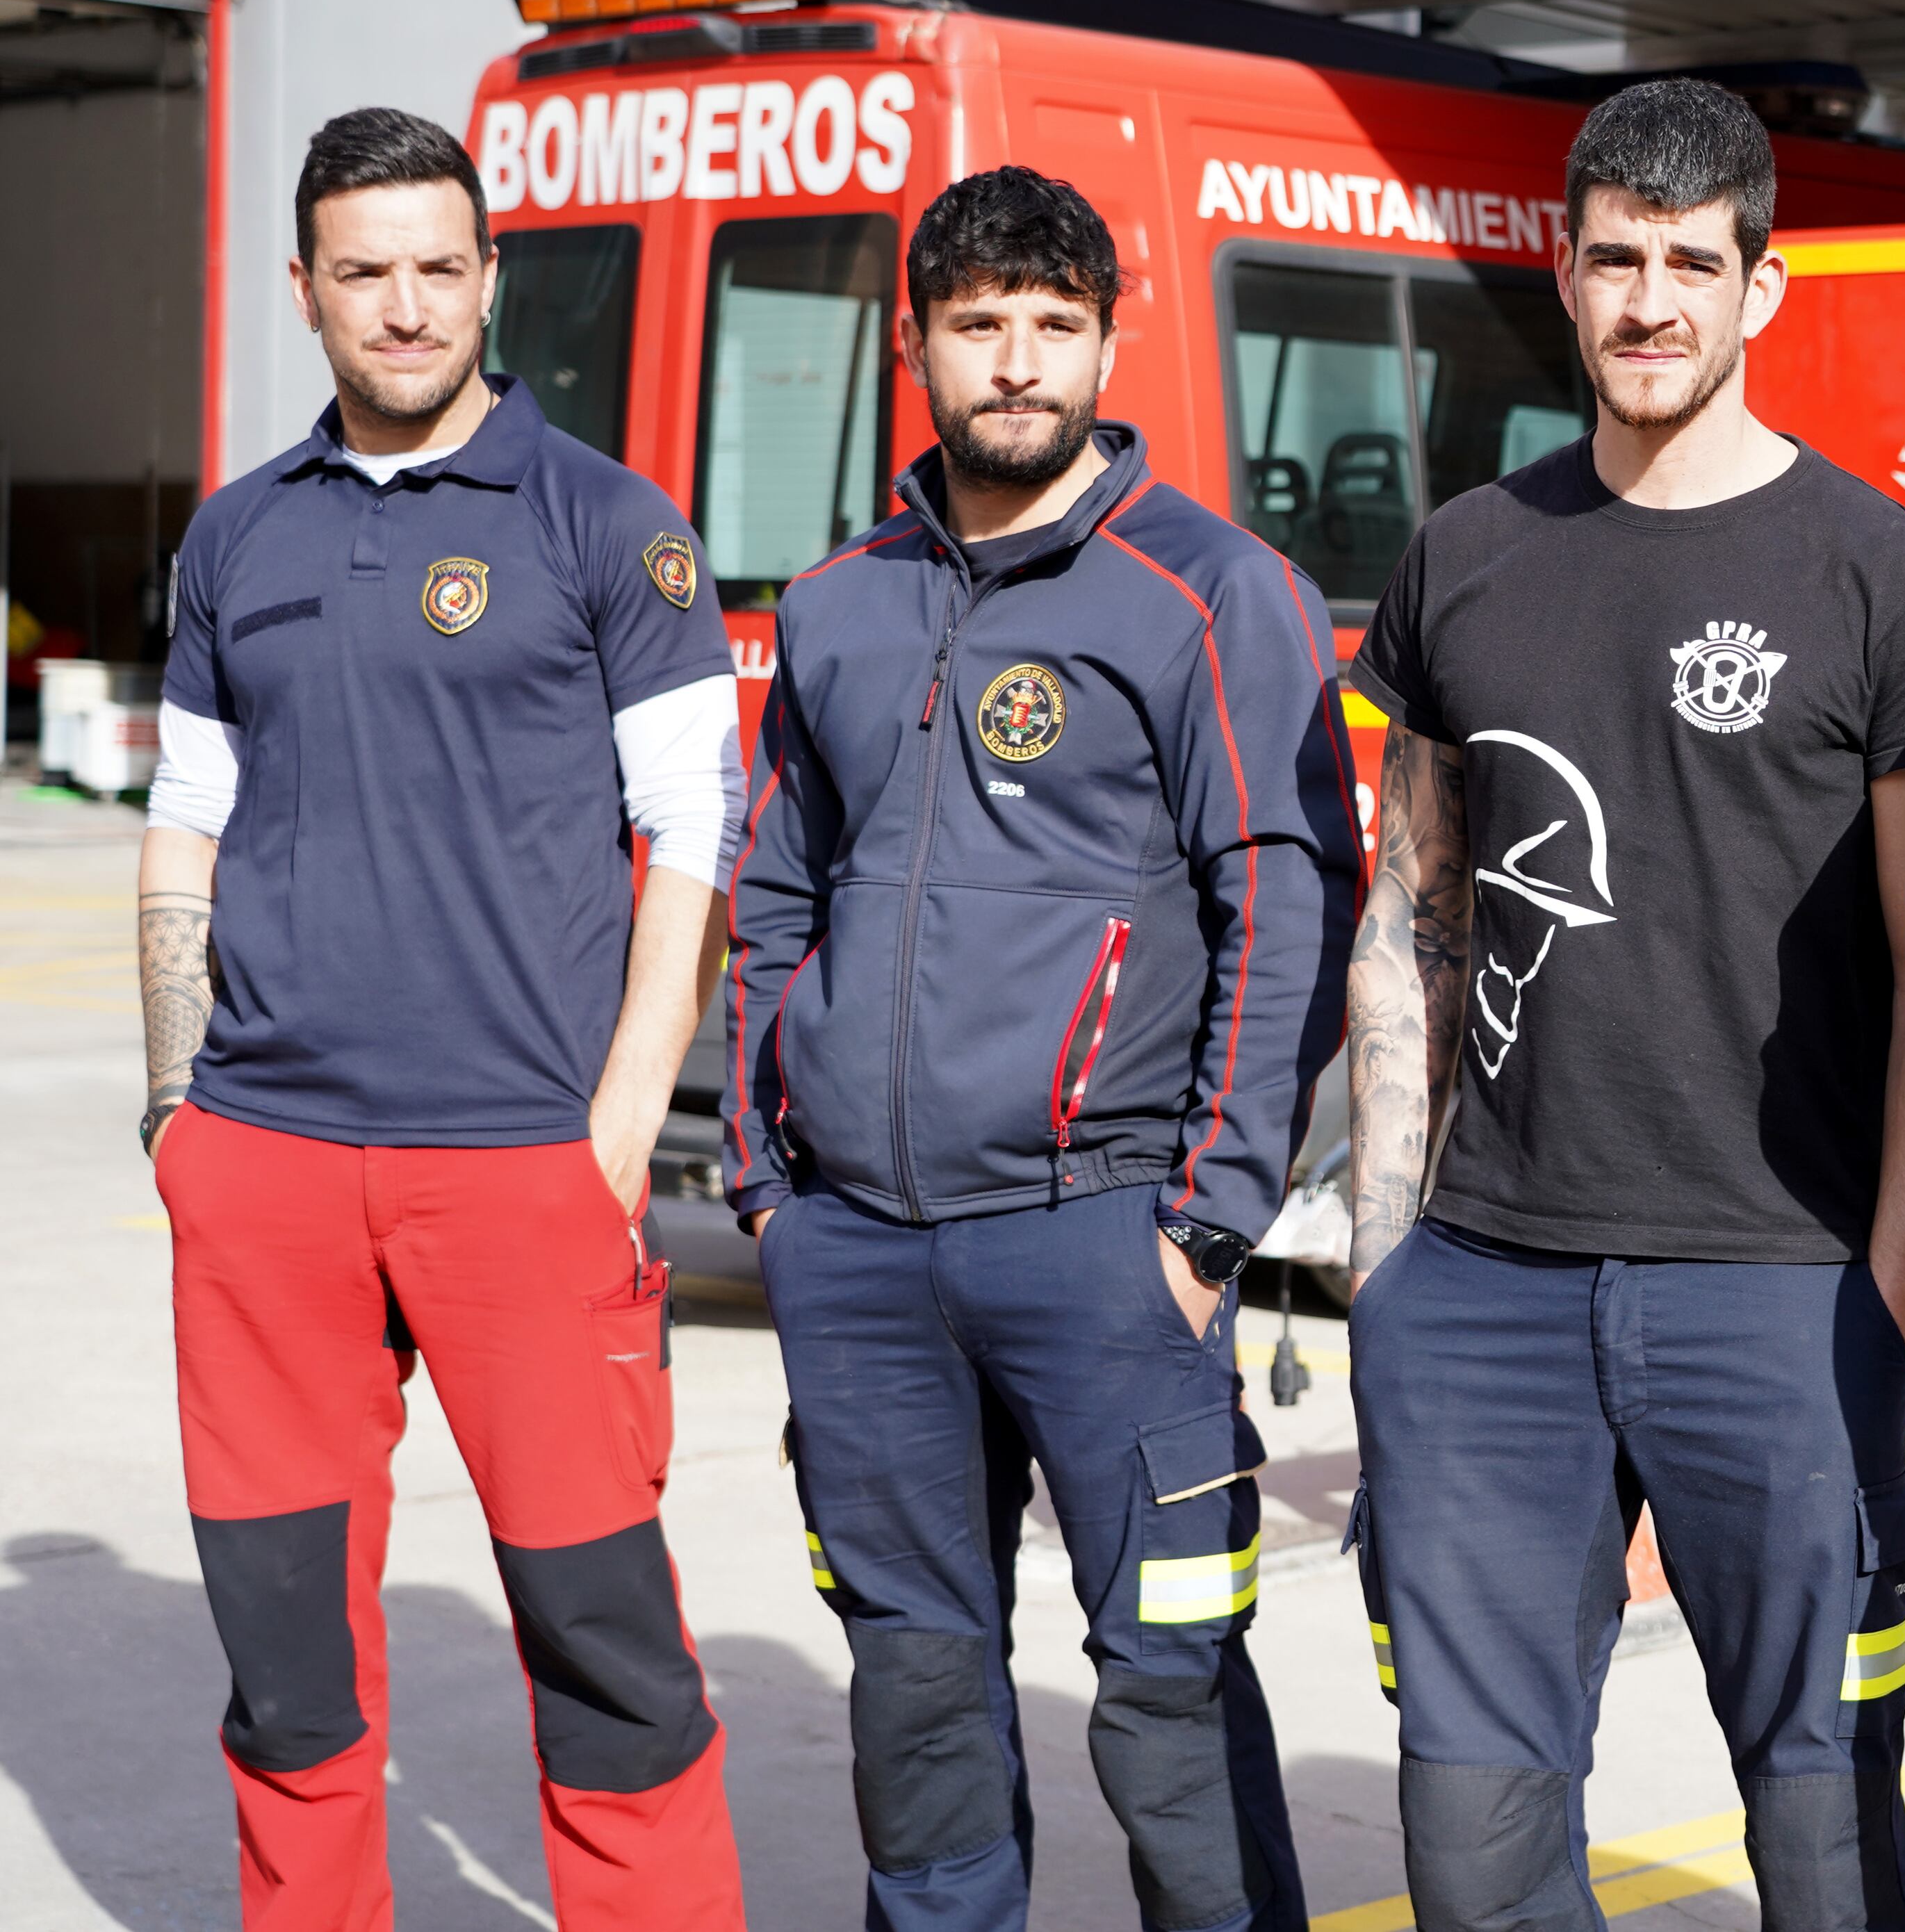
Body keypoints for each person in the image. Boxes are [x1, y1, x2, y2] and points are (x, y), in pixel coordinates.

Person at [1339, 77, 1905, 1932]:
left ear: (1759, 285)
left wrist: (1887, 1300)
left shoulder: (1881, 573)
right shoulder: (1464, 554)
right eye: (1617, 258)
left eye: (1692, 263)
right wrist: (1392, 1261)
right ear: (1564, 270)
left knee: (1822, 1843)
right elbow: (1412, 908)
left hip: (1775, 1283)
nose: (1652, 302)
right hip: (1485, 1290)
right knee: (1472, 1860)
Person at [721, 164, 1359, 1932]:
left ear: (1104, 336)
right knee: (915, 1699)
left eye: (1054, 325)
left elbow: (1284, 905)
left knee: (1163, 1693)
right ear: (915, 338)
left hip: (1104, 1242)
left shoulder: (1211, 592)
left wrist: (1205, 1224)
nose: (1017, 361)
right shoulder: (841, 599)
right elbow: (777, 893)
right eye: (979, 323)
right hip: (855, 1253)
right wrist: (771, 1185)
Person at [140, 106, 749, 1932]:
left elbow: (696, 829)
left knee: (608, 1651)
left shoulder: (607, 524)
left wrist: (625, 1117)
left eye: (437, 265)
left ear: (488, 278)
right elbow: (185, 815)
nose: (404, 306)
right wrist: (182, 1109)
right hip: (267, 1172)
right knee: (289, 1668)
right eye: (363, 271)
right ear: (310, 291)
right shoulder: (235, 535)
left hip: (518, 1171)